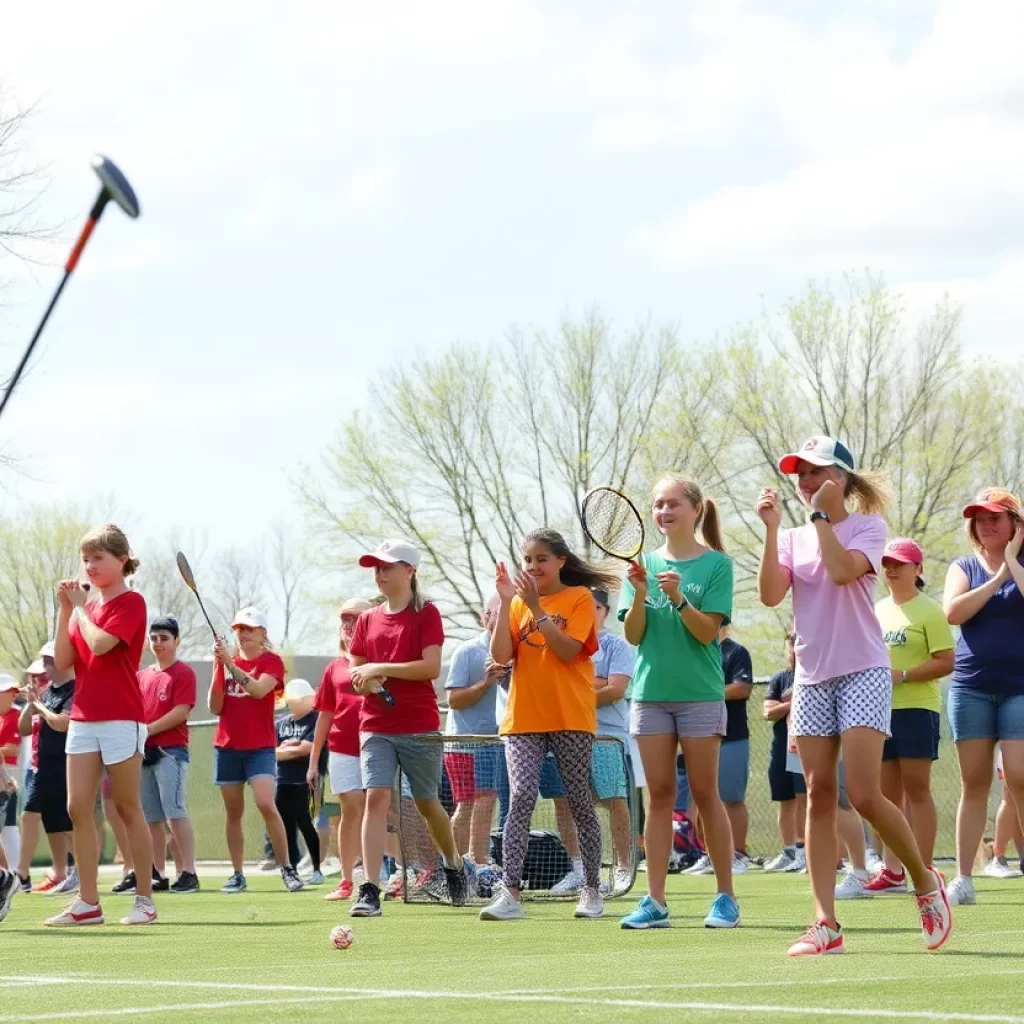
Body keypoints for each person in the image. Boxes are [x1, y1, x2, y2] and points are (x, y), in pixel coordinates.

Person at [757, 436, 950, 955]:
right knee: (819, 794)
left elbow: (843, 573)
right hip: (813, 677)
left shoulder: (868, 526)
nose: (805, 482)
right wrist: (774, 530)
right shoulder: (792, 536)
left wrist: (820, 522)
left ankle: (925, 883)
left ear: (839, 478)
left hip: (865, 670)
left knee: (864, 794)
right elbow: (771, 595)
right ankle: (825, 923)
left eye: (815, 472)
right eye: (800, 475)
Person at [618, 474, 739, 932]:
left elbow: (709, 632)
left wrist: (678, 599)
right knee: (659, 798)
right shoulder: (642, 565)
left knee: (707, 794)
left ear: (694, 510)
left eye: (672, 504)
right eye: (657, 505)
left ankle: (725, 897)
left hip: (700, 695)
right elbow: (633, 635)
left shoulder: (716, 566)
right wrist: (645, 594)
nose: (663, 512)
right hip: (649, 696)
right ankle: (655, 901)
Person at [479, 529, 614, 922]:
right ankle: (511, 893)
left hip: (569, 714)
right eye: (528, 560)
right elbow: (501, 654)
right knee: (520, 796)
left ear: (560, 562)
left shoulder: (579, 599)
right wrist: (508, 603)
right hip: (524, 717)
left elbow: (569, 650)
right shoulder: (519, 603)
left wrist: (536, 608)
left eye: (542, 559)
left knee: (578, 801)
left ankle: (591, 888)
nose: (534, 567)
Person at [348, 539, 468, 918]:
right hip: (375, 724)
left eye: (387, 566)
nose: (380, 573)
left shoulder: (427, 613)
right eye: (376, 567)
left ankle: (454, 864)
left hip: (418, 724)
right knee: (376, 798)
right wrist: (364, 678)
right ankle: (369, 888)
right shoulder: (367, 618)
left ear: (410, 570)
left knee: (427, 802)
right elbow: (357, 667)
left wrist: (380, 669)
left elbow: (430, 668)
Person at [48, 524, 156, 927]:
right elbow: (62, 661)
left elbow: (99, 645)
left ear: (122, 560)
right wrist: (66, 610)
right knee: (77, 807)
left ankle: (144, 899)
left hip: (122, 717)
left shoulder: (132, 602)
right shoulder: (83, 609)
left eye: (98, 558)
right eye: (86, 558)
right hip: (83, 718)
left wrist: (78, 608)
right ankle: (88, 902)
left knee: (128, 808)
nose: (89, 566)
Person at [943, 487, 1024, 906]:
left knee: (1019, 776)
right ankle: (963, 878)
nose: (987, 524)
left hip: (1020, 688)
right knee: (974, 782)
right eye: (980, 518)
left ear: (1015, 524)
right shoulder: (965, 566)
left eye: (996, 517)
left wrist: (1012, 561)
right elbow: (953, 612)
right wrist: (996, 579)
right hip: (971, 688)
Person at [866, 538, 954, 895]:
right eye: (887, 563)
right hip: (879, 712)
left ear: (917, 570)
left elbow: (946, 661)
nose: (892, 569)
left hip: (918, 708)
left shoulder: (929, 610)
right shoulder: (876, 609)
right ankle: (893, 871)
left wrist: (903, 675)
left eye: (900, 563)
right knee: (885, 795)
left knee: (917, 789)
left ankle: (927, 867)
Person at [209, 606, 303, 894]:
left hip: (260, 747)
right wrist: (220, 665)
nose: (243, 634)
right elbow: (215, 706)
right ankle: (237, 874)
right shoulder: (225, 661)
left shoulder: (272, 662)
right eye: (239, 629)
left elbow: (259, 691)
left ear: (263, 633)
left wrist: (230, 665)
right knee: (233, 812)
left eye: (250, 629)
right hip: (227, 747)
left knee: (265, 803)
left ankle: (287, 867)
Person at [309, 598, 372, 902]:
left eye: (355, 618)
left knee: (387, 808)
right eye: (344, 620)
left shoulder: (381, 660)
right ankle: (348, 880)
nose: (349, 625)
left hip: (378, 744)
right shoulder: (334, 667)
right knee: (352, 806)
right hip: (342, 749)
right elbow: (324, 716)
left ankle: (399, 873)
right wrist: (312, 762)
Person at [137, 617, 199, 894]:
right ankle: (158, 873)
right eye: (154, 638)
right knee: (152, 816)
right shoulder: (141, 675)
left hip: (170, 751)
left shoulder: (183, 673)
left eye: (164, 637)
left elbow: (180, 712)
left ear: (176, 641)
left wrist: (147, 730)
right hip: (144, 752)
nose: (158, 643)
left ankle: (189, 872)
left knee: (174, 810)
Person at [444, 595, 502, 879]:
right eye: (495, 613)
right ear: (484, 617)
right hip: (463, 743)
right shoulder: (467, 652)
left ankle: (478, 861)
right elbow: (454, 699)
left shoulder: (512, 653)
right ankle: (454, 867)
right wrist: (486, 683)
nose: (500, 619)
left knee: (487, 800)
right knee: (467, 803)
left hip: (494, 742)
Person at [18, 644, 75, 895]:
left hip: (67, 764)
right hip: (44, 766)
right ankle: (60, 873)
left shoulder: (74, 689)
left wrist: (38, 705)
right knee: (49, 820)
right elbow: (24, 729)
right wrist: (33, 704)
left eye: (47, 664)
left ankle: (81, 873)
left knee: (67, 823)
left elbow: (62, 723)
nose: (44, 672)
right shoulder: (48, 692)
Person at [590, 588, 635, 894]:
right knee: (572, 804)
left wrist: (578, 694)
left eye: (593, 607)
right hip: (572, 734)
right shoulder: (567, 645)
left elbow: (615, 690)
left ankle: (622, 865)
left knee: (615, 801)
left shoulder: (616, 646)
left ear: (605, 611)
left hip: (608, 736)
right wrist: (595, 685)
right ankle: (584, 870)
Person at [763, 632, 806, 873]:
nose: (793, 650)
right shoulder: (780, 679)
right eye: (790, 645)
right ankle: (790, 851)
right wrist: (794, 702)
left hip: (803, 746)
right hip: (781, 745)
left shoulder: (814, 675)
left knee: (804, 800)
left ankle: (804, 851)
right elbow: (768, 711)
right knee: (784, 800)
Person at [276, 679, 324, 885]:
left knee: (305, 822)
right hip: (282, 780)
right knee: (286, 825)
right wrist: (289, 749)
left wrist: (289, 749)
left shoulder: (316, 720)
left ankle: (316, 869)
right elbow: (270, 752)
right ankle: (292, 869)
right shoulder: (280, 723)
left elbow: (307, 748)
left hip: (306, 780)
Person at [987, 747, 1023, 877]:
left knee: (1017, 801)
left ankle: (1022, 857)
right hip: (1015, 744)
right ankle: (998, 859)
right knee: (1011, 799)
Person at [0, 675, 23, 874]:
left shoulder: (14, 716)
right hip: (4, 772)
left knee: (8, 824)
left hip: (9, 773)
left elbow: (11, 749)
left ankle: (16, 872)